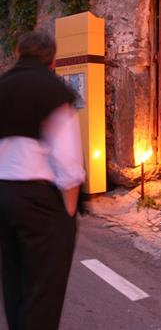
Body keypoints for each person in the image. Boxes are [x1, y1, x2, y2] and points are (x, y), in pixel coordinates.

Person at [0, 30, 85, 330]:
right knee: (44, 291)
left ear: (18, 52)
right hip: (39, 202)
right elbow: (69, 164)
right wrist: (69, 213)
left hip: (4, 195)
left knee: (14, 283)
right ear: (53, 59)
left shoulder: (2, 86)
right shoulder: (53, 92)